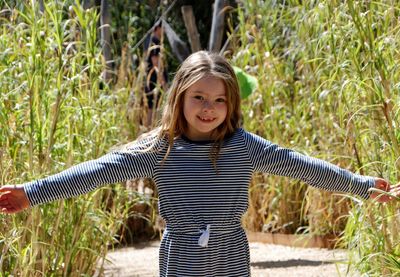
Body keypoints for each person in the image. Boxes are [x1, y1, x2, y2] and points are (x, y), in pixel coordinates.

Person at [0, 51, 398, 276]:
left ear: (232, 104)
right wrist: (30, 193)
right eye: (198, 98)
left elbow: (304, 166)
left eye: (219, 100)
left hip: (230, 254)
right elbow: (96, 171)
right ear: (179, 99)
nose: (209, 109)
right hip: (182, 260)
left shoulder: (243, 145)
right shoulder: (159, 148)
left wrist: (362, 186)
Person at [144, 45, 168, 127]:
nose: (155, 59)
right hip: (149, 98)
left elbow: (165, 86)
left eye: (157, 57)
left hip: (160, 99)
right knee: (149, 113)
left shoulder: (162, 70)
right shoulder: (149, 70)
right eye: (153, 57)